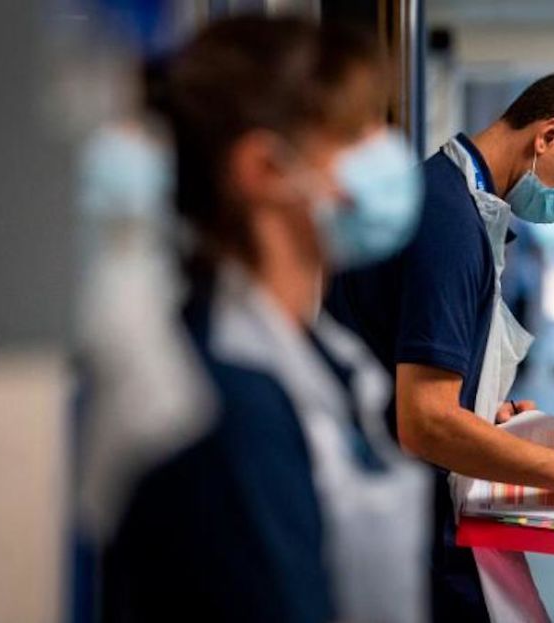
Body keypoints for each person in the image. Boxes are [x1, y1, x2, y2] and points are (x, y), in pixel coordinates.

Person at [95, 16, 431, 622]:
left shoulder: (315, 351)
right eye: (357, 133)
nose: (386, 152)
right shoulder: (223, 405)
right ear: (267, 170)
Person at [327, 69, 554, 622]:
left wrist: (490, 419)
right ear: (550, 137)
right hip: (401, 517)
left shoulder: (466, 207)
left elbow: (424, 382)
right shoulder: (447, 223)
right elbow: (425, 422)